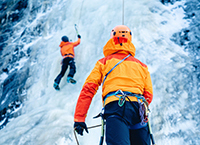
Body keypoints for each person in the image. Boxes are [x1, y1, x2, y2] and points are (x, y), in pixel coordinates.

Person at [73, 25, 153, 145]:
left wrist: (79, 118)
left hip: (116, 107)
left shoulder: (103, 63)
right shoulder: (142, 66)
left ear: (112, 39)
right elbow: (148, 95)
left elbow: (88, 89)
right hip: (138, 109)